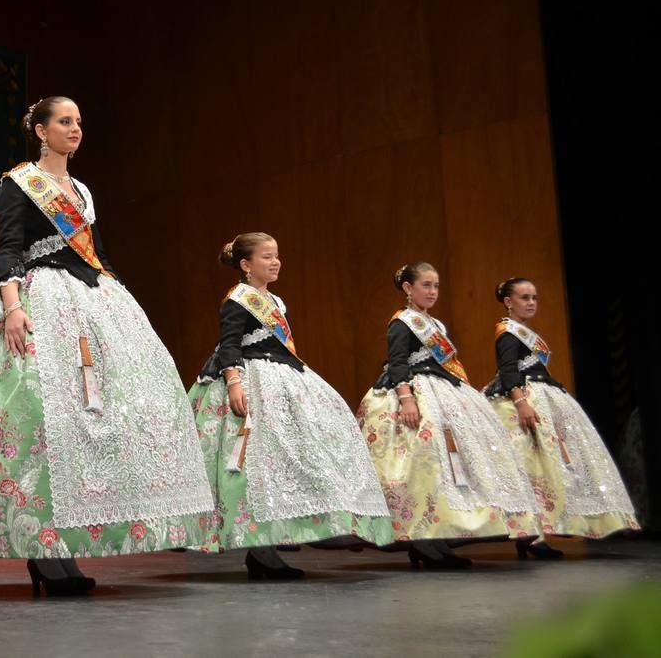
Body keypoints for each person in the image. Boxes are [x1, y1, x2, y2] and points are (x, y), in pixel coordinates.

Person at [0, 96, 215, 596]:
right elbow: (8, 246)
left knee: (88, 427)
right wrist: (13, 305)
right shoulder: (19, 182)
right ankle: (45, 552)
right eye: (65, 122)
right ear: (41, 132)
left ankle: (65, 545)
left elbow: (96, 252)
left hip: (92, 300)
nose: (75, 129)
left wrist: (121, 299)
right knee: (44, 428)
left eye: (79, 122)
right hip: (39, 296)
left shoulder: (82, 191)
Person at [188, 232, 394, 580]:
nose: (275, 262)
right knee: (255, 465)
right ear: (245, 264)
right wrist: (235, 382)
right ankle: (261, 551)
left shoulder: (277, 303)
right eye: (267, 256)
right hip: (252, 379)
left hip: (284, 378)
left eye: (277, 255)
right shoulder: (238, 299)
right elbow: (229, 345)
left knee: (287, 462)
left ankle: (275, 545)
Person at [356, 263, 538, 568]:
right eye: (426, 285)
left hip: (445, 392)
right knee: (425, 468)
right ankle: (423, 542)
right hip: (415, 394)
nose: (432, 292)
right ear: (408, 288)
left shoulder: (436, 325)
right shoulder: (402, 322)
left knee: (448, 470)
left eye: (436, 286)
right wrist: (406, 399)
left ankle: (438, 540)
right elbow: (397, 362)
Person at [483, 277, 638, 557]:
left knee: (548, 468)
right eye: (524, 297)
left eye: (534, 297)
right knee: (531, 468)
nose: (531, 303)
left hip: (544, 395)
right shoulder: (507, 332)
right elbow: (508, 371)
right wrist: (521, 404)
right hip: (524, 400)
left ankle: (537, 534)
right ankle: (531, 536)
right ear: (508, 302)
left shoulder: (524, 332)